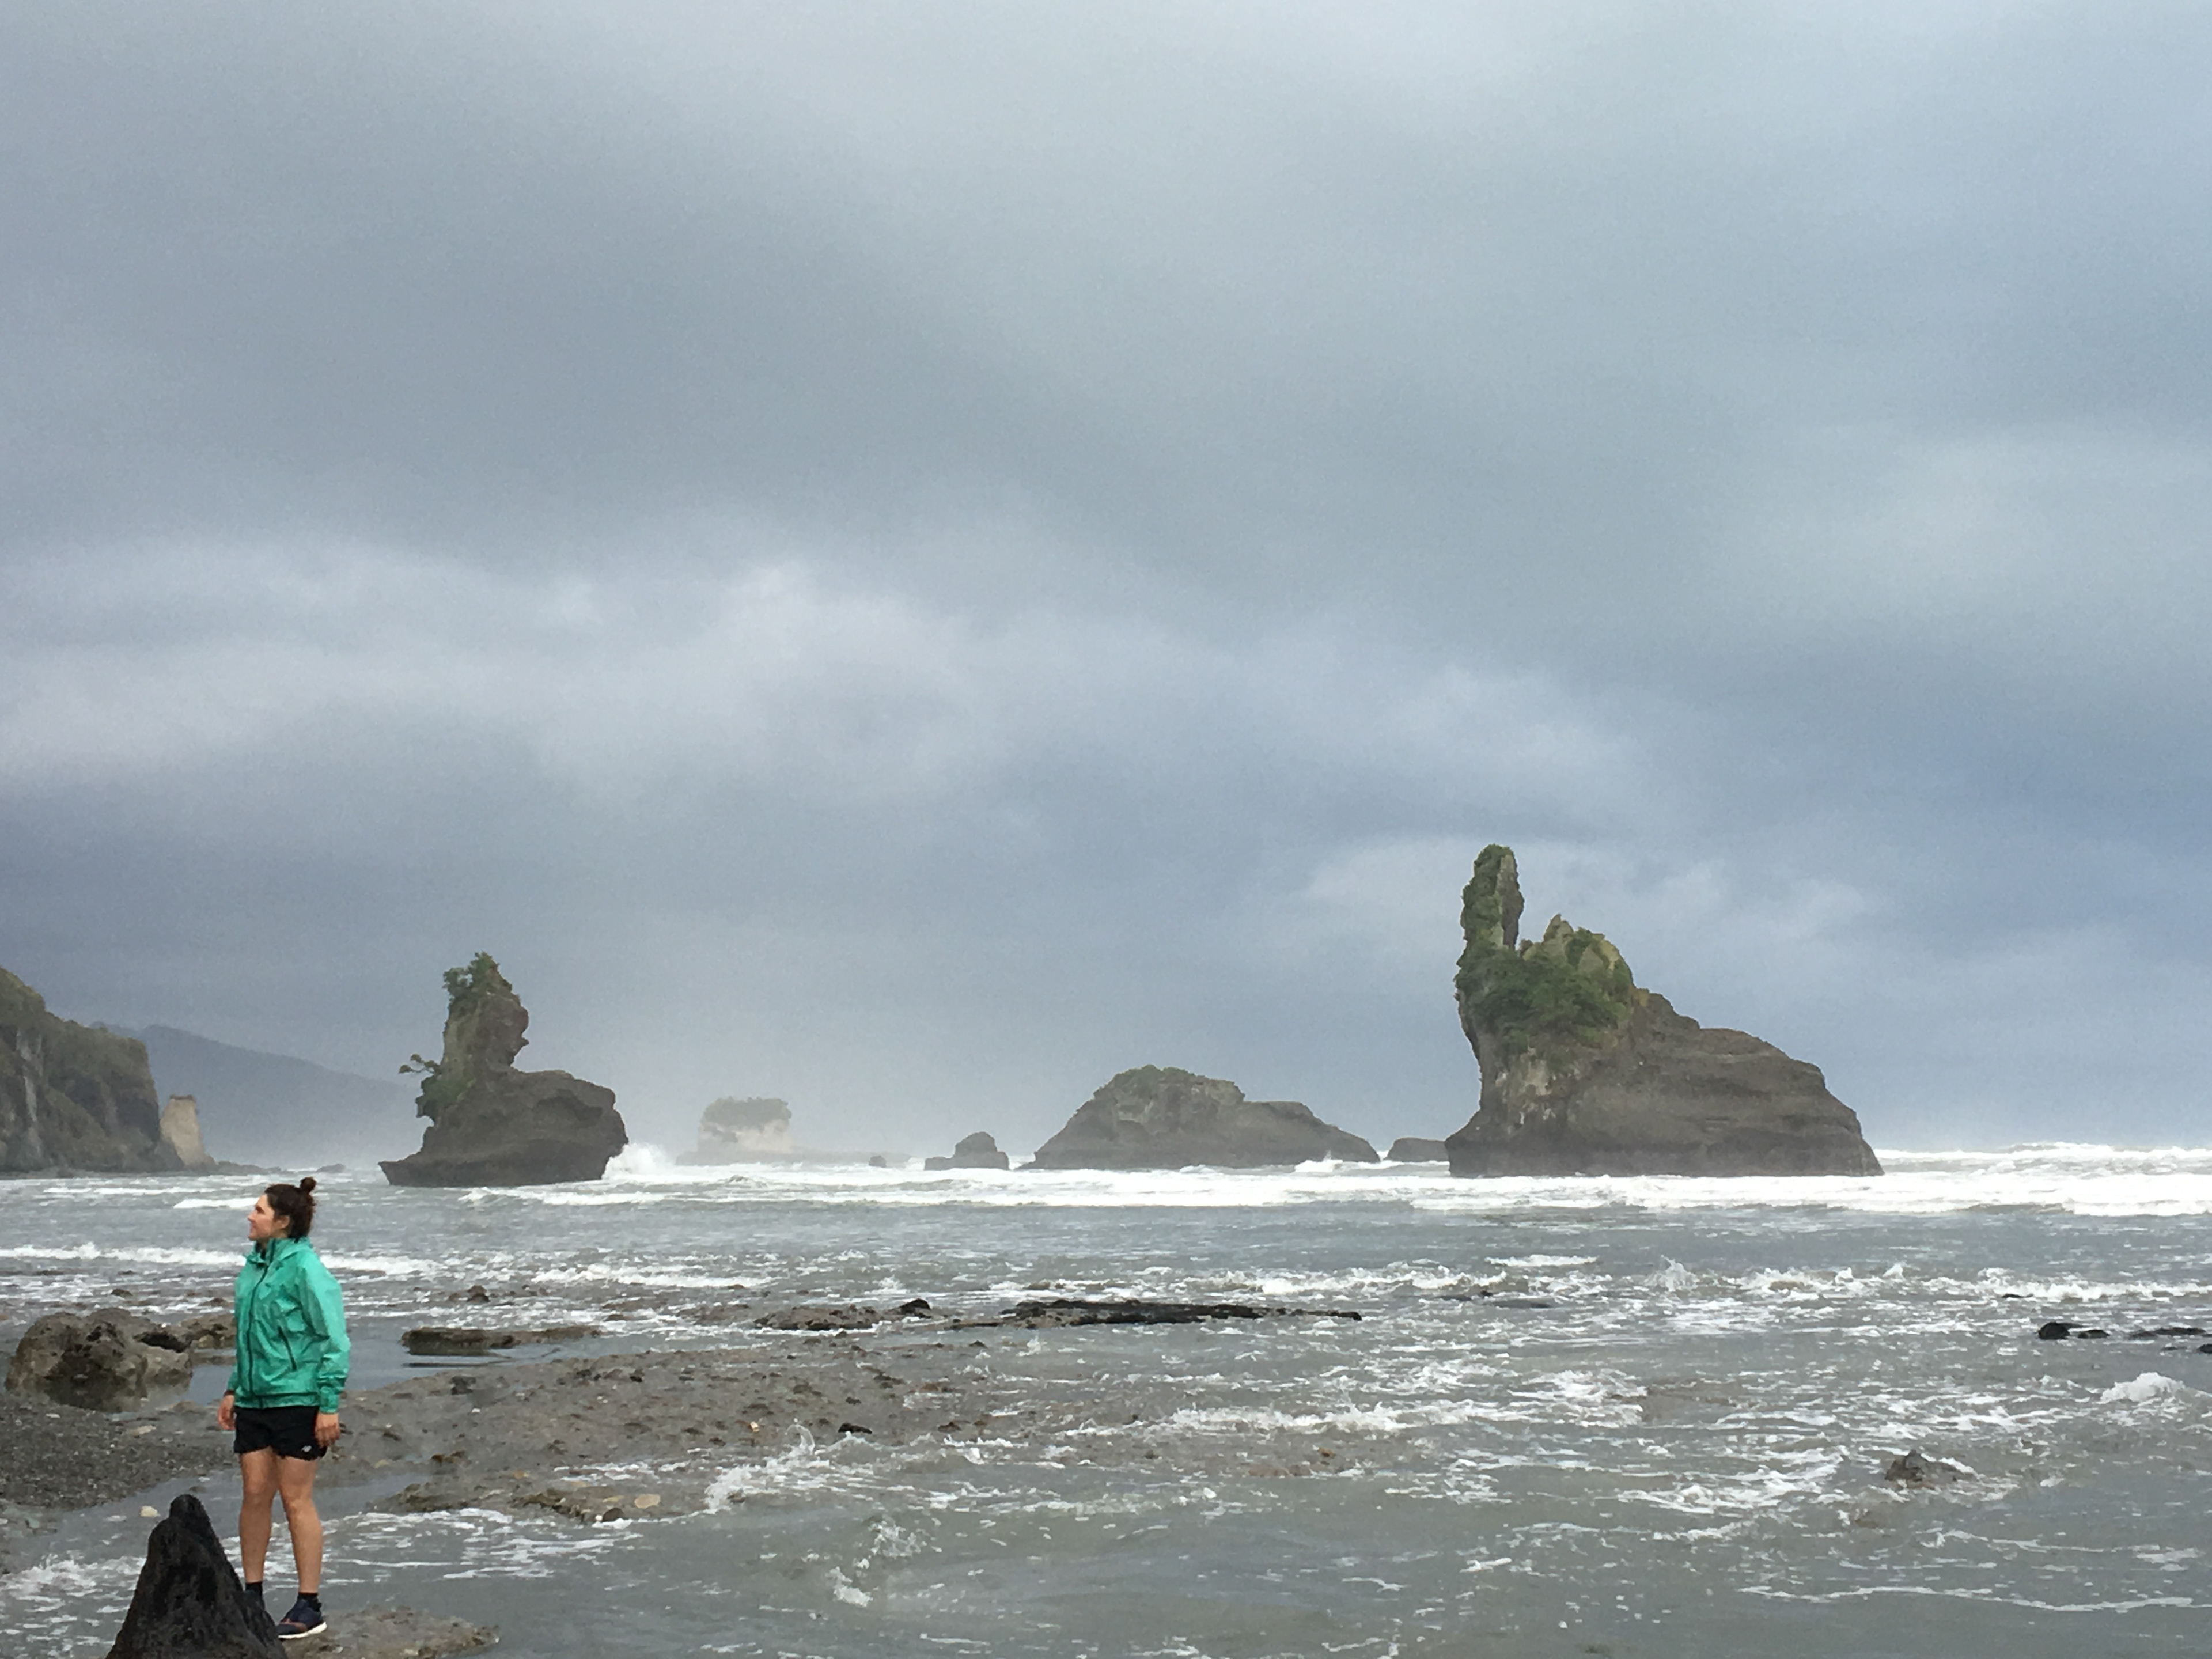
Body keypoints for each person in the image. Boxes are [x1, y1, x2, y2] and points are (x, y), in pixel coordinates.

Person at [217, 1176, 350, 1640]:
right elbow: (247, 1336)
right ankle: (251, 1597)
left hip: (298, 1399)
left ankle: (309, 1605)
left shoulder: (306, 1269)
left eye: (259, 1210)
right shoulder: (253, 1268)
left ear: (283, 1222)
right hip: (255, 1399)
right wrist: (234, 1389)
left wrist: (328, 1405)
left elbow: (334, 1339)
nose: (250, 1216)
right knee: (255, 1494)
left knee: (296, 1500)